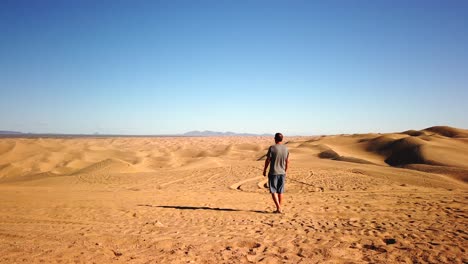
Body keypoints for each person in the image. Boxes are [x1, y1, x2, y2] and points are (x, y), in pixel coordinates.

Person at [263, 132, 289, 213]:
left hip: (273, 172)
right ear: (282, 139)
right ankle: (278, 208)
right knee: (280, 191)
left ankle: (278, 207)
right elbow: (287, 161)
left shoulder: (272, 148)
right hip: (282, 173)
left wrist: (264, 169)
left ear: (275, 139)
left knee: (273, 190)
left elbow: (268, 160)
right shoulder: (286, 148)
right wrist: (286, 171)